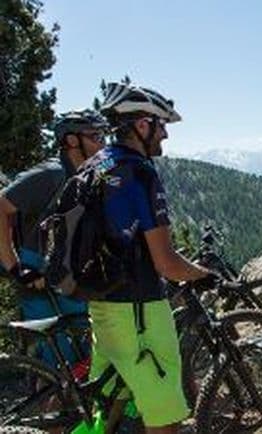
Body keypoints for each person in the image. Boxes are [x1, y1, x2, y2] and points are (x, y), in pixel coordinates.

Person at [89, 81, 218, 434]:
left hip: (102, 305)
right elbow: (166, 263)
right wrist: (202, 274)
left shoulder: (97, 165)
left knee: (111, 406)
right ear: (141, 125)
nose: (165, 135)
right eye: (160, 125)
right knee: (165, 418)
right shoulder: (139, 173)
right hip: (139, 311)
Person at [0, 109, 109, 365]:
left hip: (69, 276)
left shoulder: (86, 176)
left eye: (104, 136)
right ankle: (48, 403)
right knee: (57, 360)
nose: (103, 143)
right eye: (96, 136)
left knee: (84, 356)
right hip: (37, 275)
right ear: (72, 141)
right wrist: (15, 266)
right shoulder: (50, 174)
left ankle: (70, 403)